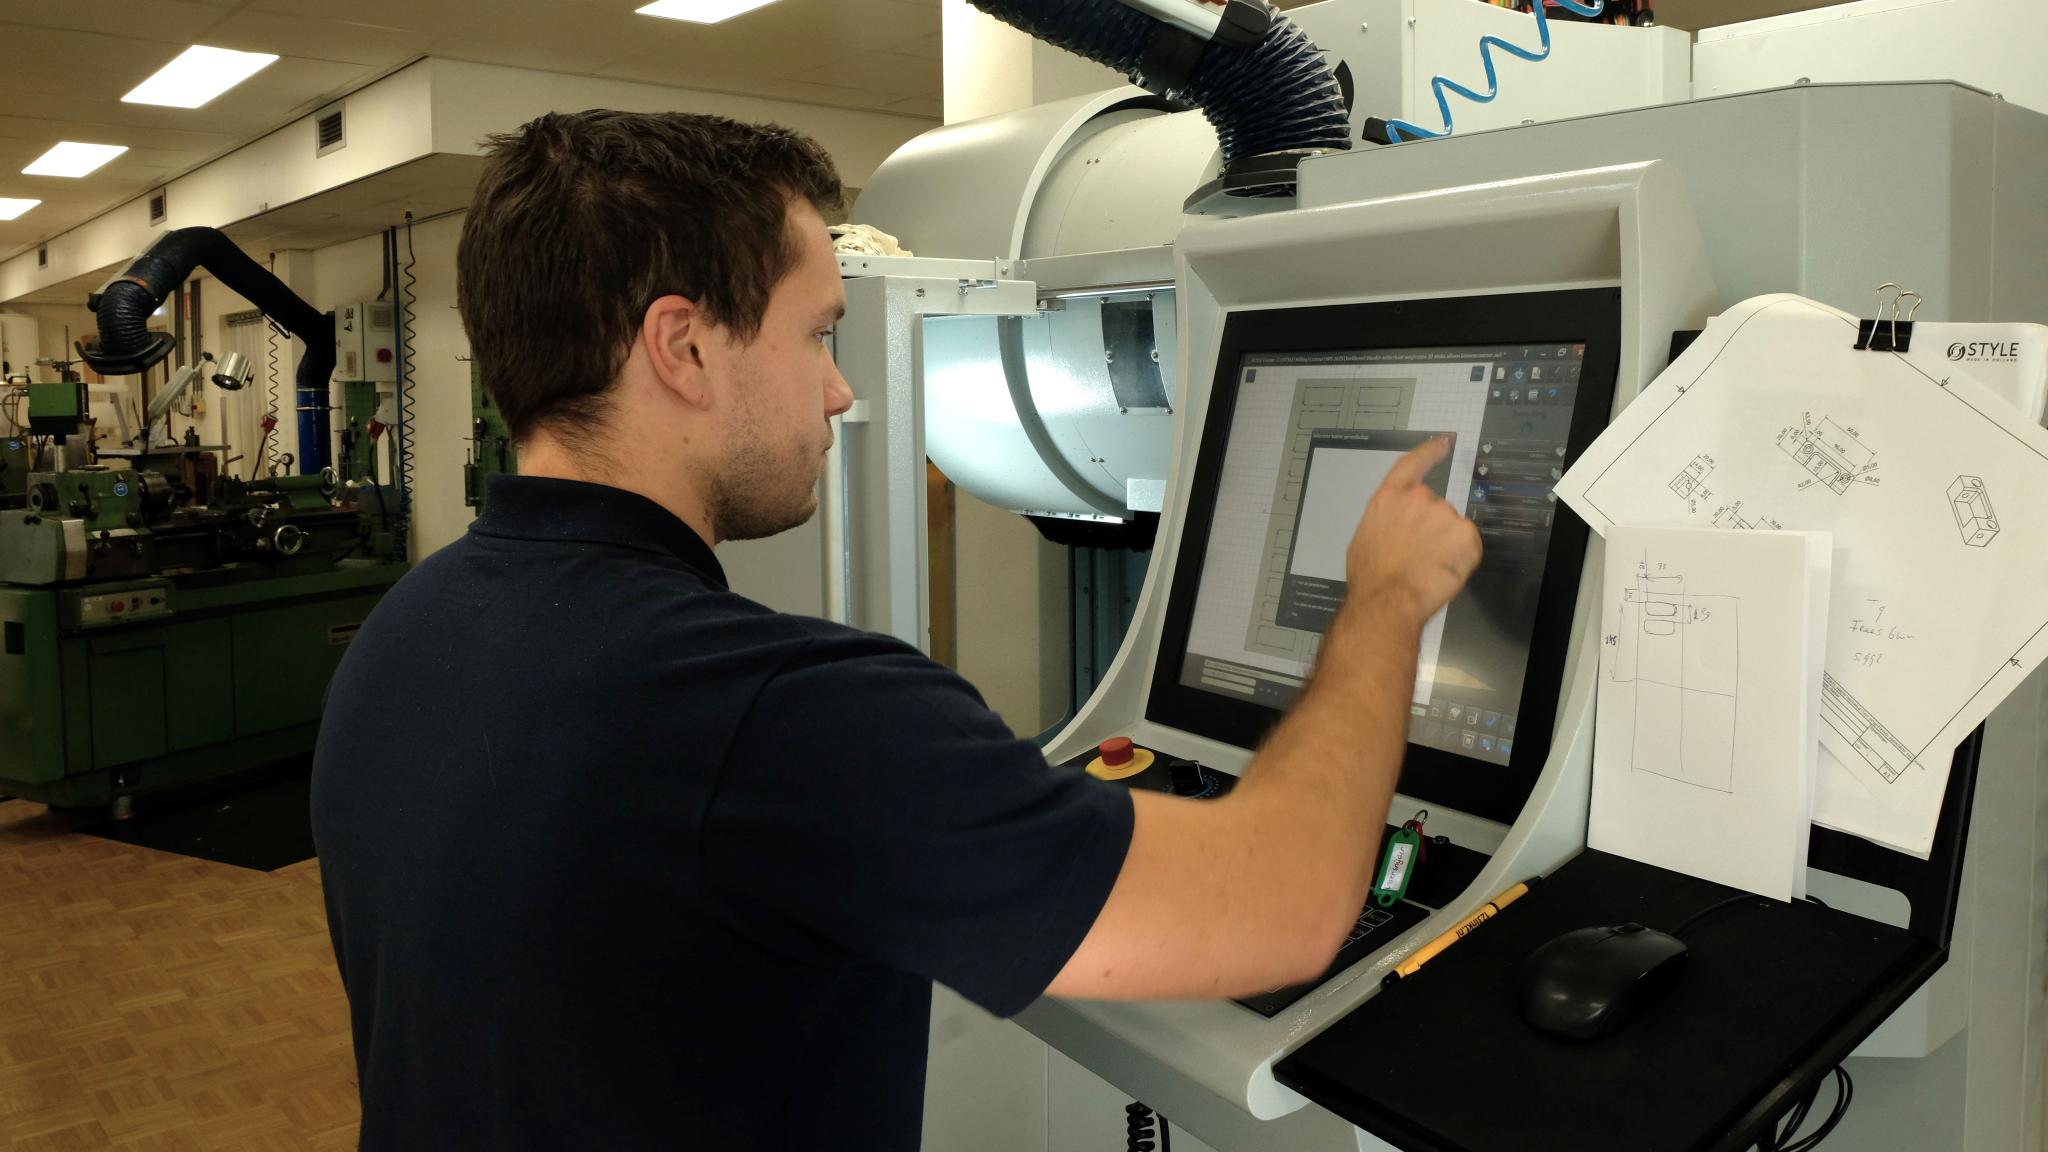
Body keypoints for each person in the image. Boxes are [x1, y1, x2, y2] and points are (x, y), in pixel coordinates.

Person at [311, 109, 1480, 1151]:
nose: (838, 391)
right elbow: (1281, 906)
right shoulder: (782, 712)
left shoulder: (406, 631)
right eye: (817, 334)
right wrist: (1381, 598)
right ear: (684, 346)